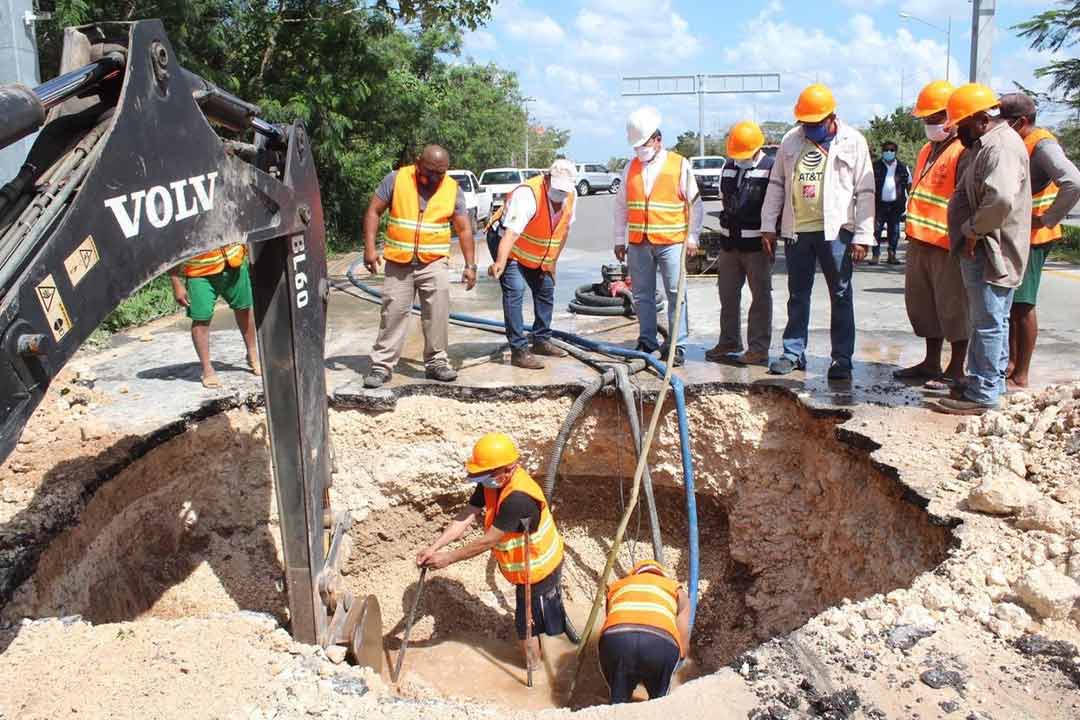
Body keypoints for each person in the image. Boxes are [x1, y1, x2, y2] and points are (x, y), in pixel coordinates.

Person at [415, 432, 571, 673]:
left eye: (485, 475)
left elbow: (488, 541)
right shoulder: (492, 482)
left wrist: (447, 558)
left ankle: (535, 669)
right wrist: (435, 547)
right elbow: (466, 515)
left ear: (508, 469)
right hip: (522, 568)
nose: (481, 480)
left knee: (526, 624)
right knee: (530, 619)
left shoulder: (518, 498)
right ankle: (539, 651)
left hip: (540, 567)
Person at [762, 84, 875, 380]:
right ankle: (792, 352)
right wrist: (768, 226)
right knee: (797, 294)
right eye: (805, 123)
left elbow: (865, 191)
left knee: (840, 294)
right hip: (798, 231)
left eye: (815, 124)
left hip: (836, 232)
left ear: (831, 117)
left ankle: (841, 359)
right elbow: (776, 185)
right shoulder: (790, 140)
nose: (809, 128)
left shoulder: (853, 141)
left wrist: (863, 235)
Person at [937, 84, 1032, 415]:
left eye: (960, 124)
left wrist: (974, 229)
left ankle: (984, 391)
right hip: (982, 245)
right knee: (990, 319)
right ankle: (987, 380)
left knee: (988, 320)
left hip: (992, 248)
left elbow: (1001, 199)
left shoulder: (1000, 147)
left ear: (979, 119)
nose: (957, 131)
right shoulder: (986, 144)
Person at [361, 145, 478, 388]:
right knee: (393, 313)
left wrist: (471, 265)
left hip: (433, 262)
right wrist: (370, 249)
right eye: (429, 172)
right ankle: (381, 366)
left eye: (441, 173)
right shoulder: (396, 179)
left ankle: (436, 362)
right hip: (398, 262)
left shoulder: (452, 189)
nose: (435, 178)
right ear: (417, 163)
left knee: (437, 313)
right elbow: (374, 211)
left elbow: (464, 228)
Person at [1000, 93, 1080, 388]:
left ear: (1021, 121)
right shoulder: (1021, 141)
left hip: (1034, 236)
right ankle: (1010, 363)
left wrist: (1047, 218)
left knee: (1022, 304)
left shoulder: (1043, 145)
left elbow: (1073, 182)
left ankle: (1021, 373)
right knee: (1012, 303)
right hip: (1019, 234)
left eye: (1005, 121)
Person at [614, 106, 704, 367]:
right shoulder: (630, 168)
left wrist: (693, 237)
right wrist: (620, 239)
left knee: (676, 294)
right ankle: (647, 340)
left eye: (644, 144)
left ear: (657, 139)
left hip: (671, 242)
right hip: (639, 242)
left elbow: (695, 205)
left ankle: (677, 345)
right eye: (636, 146)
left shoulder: (679, 165)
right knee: (642, 295)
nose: (640, 150)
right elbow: (621, 206)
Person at [893, 81, 970, 385]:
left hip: (947, 243)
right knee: (924, 306)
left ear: (951, 117)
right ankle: (931, 361)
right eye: (926, 119)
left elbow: (967, 199)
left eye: (935, 118)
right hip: (920, 239)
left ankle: (956, 368)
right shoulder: (927, 149)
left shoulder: (962, 151)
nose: (929, 124)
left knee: (953, 307)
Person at [487, 159, 578, 369]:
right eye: (556, 188)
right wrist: (500, 262)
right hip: (508, 245)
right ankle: (518, 351)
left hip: (537, 251)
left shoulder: (572, 196)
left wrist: (552, 262)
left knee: (545, 288)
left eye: (564, 190)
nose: (560, 194)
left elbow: (564, 231)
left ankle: (541, 340)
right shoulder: (528, 194)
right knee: (515, 290)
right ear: (546, 179)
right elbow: (510, 234)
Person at [705, 120, 775, 366]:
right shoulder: (729, 165)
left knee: (760, 298)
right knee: (727, 295)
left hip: (757, 246)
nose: (740, 159)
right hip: (729, 244)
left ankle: (758, 349)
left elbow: (775, 204)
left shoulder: (770, 167)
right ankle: (729, 341)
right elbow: (725, 199)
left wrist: (771, 234)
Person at [598, 560, 690, 704]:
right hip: (660, 644)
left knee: (618, 705)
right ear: (662, 575)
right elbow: (684, 620)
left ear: (635, 574)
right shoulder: (673, 587)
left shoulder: (617, 586)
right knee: (659, 703)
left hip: (618, 640)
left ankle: (618, 702)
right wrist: (682, 654)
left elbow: (611, 620)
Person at [170, 243, 260, 388]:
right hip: (200, 272)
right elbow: (173, 243)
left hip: (234, 262)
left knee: (245, 309)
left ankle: (253, 356)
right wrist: (176, 282)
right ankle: (207, 369)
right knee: (201, 318)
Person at [871, 140, 911, 265]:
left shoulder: (903, 167)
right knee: (876, 230)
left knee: (894, 231)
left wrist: (911, 202)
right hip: (879, 204)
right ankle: (875, 255)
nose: (889, 152)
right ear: (882, 152)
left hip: (896, 205)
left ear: (896, 152)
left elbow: (909, 185)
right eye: (886, 150)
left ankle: (892, 255)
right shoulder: (875, 166)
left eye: (892, 150)